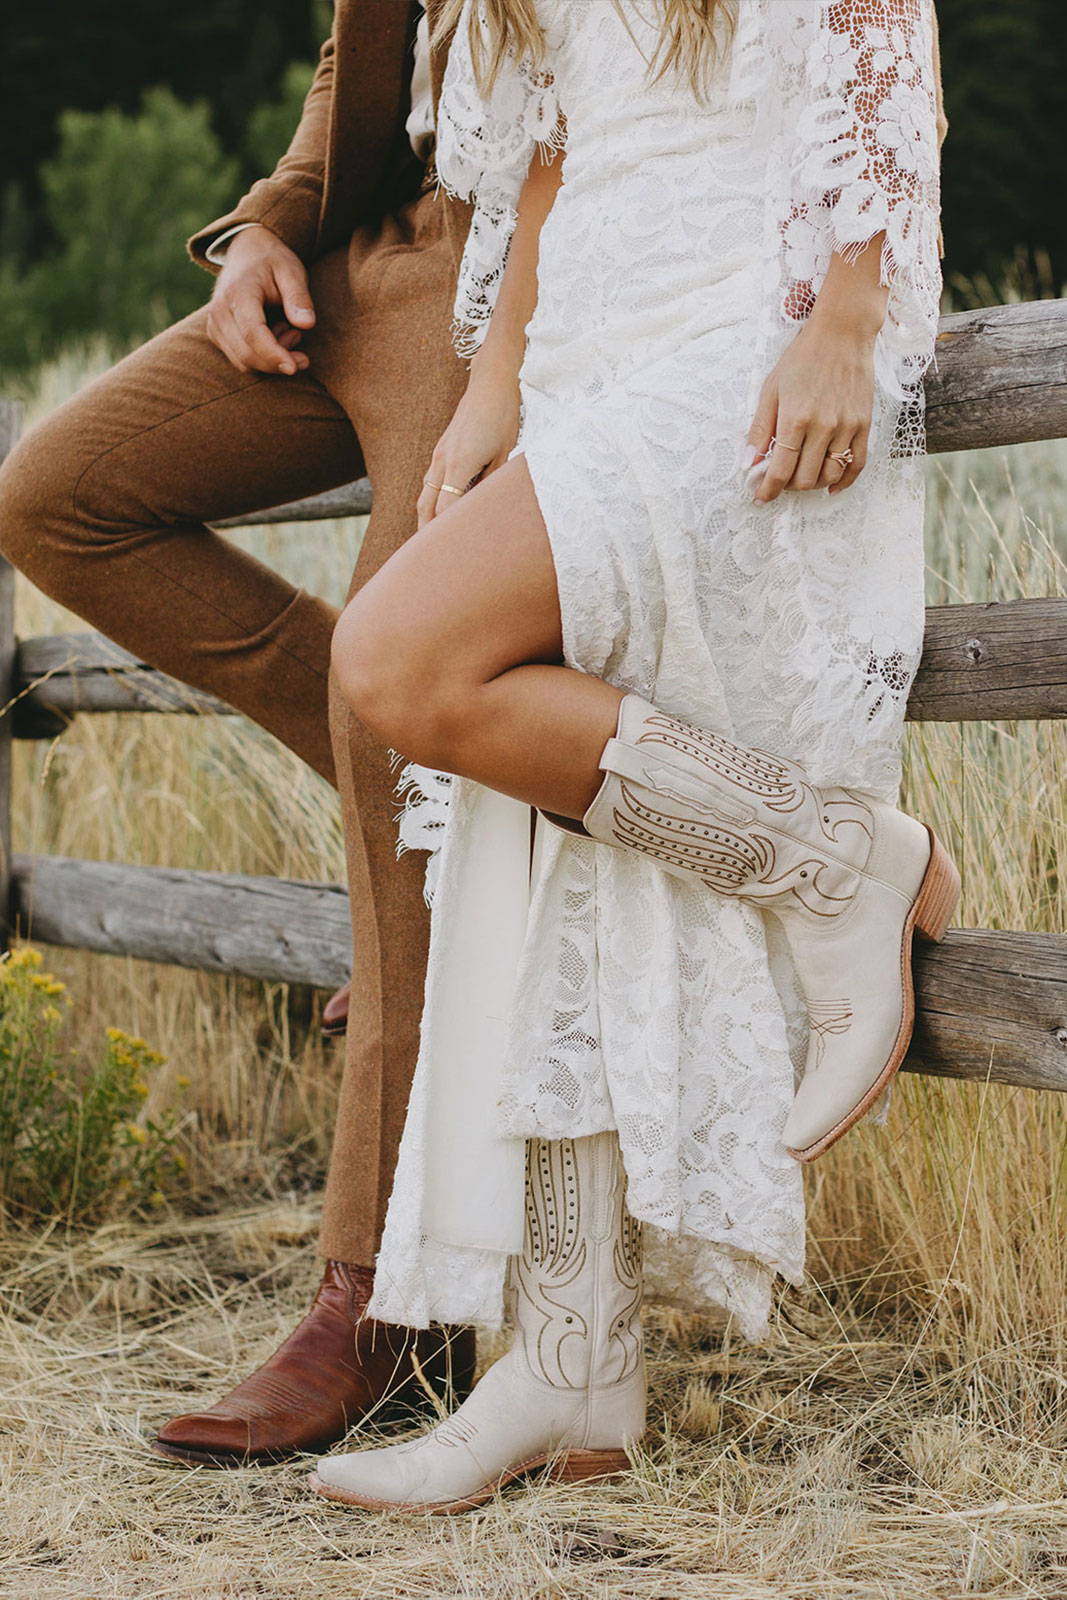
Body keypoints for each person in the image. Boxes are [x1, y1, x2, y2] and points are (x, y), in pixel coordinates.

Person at [308, 0, 955, 1514]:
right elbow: (545, 150)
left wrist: (849, 315)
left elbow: (885, 46)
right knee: (543, 854)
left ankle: (834, 861)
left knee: (398, 657)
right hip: (590, 344)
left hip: (745, 320)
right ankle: (570, 1361)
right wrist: (490, 388)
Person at [0, 0, 480, 1464]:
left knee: (394, 711)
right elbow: (367, 58)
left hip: (503, 275)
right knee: (56, 494)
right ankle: (419, 822)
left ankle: (388, 1303)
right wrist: (262, 230)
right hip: (358, 259)